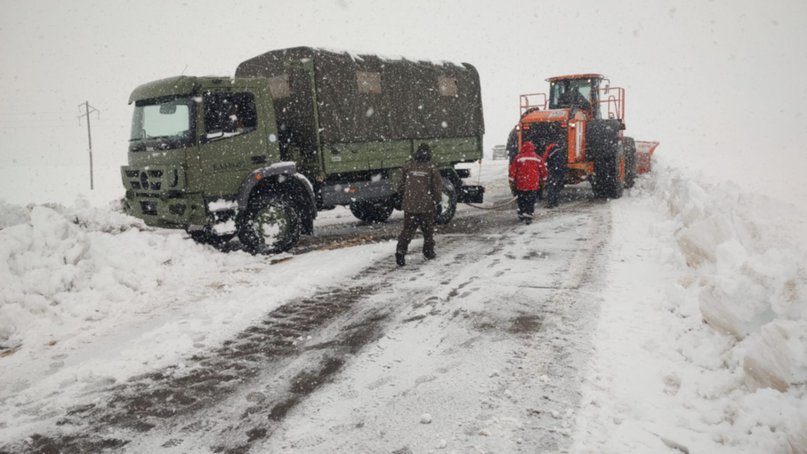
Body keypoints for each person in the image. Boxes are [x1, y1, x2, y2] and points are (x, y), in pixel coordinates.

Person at [395, 143, 443, 266]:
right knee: (428, 231)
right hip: (426, 206)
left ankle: (401, 250)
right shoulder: (432, 168)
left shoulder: (408, 166)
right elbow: (436, 188)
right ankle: (428, 252)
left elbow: (400, 186)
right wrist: (437, 201)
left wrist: (409, 194)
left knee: (408, 230)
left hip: (410, 206)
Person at [508, 141, 545, 224]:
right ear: (533, 148)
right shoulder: (538, 158)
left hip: (521, 184)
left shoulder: (518, 158)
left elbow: (512, 171)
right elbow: (543, 171)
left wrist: (511, 181)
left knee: (521, 199)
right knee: (531, 200)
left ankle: (521, 213)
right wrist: (543, 180)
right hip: (533, 184)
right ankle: (528, 214)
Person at [544, 142, 567, 208]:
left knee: (551, 186)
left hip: (554, 171)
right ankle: (556, 202)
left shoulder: (552, 153)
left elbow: (548, 160)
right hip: (560, 171)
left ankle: (551, 203)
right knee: (557, 187)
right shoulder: (561, 152)